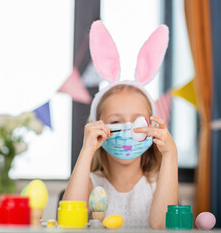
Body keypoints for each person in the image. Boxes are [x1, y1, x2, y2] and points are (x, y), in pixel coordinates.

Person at [63, 20, 178, 229]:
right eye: (115, 122)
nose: (127, 130)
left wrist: (171, 155)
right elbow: (69, 222)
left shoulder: (158, 185)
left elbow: (161, 226)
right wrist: (87, 150)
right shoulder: (92, 183)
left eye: (137, 121)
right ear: (98, 128)